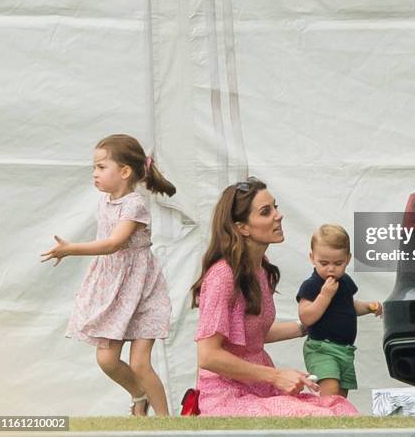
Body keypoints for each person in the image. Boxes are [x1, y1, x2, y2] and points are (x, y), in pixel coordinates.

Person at [191, 177, 358, 416]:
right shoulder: (222, 276)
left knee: (340, 408)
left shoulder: (262, 269)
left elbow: (253, 335)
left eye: (275, 207)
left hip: (260, 388)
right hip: (227, 396)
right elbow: (207, 355)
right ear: (243, 227)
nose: (278, 215)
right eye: (266, 212)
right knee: (322, 417)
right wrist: (276, 375)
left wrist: (311, 324)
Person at [41, 134, 175, 416]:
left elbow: (114, 243)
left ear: (124, 172)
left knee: (140, 363)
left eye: (101, 167)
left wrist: (71, 249)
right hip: (114, 292)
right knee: (106, 359)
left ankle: (166, 421)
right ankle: (139, 396)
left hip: (141, 292)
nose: (95, 173)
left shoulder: (135, 205)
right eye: (95, 167)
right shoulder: (104, 202)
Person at [296, 224, 382, 397]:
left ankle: (338, 421)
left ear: (348, 259)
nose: (331, 269)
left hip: (345, 350)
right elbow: (306, 317)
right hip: (321, 348)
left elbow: (348, 307)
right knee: (331, 390)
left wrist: (368, 307)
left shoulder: (344, 281)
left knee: (341, 396)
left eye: (338, 263)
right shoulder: (311, 285)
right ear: (312, 258)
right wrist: (324, 296)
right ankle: (327, 421)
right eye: (324, 263)